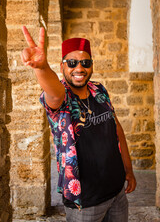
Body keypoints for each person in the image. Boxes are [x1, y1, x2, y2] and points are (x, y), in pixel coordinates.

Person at [21, 26, 136, 222]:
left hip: (117, 192)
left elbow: (116, 129)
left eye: (85, 62)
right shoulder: (61, 98)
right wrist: (41, 67)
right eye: (72, 63)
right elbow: (54, 92)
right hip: (85, 201)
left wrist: (128, 170)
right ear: (62, 66)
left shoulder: (99, 89)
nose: (79, 68)